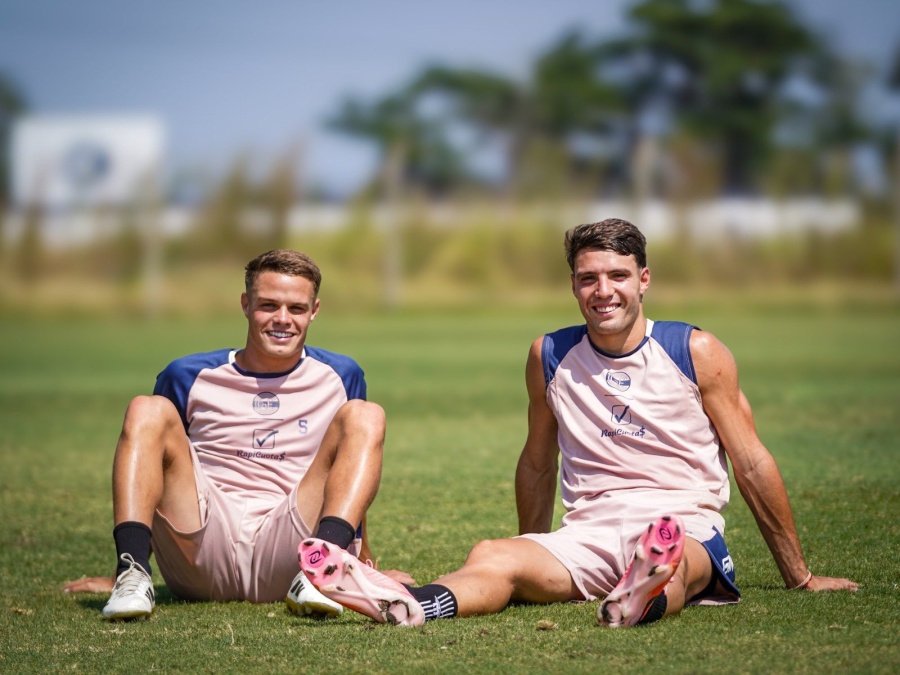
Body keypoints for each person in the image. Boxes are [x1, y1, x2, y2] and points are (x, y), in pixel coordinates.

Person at [296, 218, 858, 628]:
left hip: (679, 522)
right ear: (573, 286)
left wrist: (799, 575)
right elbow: (538, 460)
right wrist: (530, 539)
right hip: (586, 533)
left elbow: (751, 461)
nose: (603, 290)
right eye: (588, 278)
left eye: (617, 275)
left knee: (677, 562)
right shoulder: (550, 354)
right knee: (493, 557)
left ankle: (640, 594)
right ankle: (413, 604)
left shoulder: (695, 349)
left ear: (644, 279)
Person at [64, 249, 411, 620]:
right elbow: (152, 471)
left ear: (314, 311)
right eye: (268, 305)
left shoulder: (341, 375)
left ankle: (323, 572)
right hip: (200, 547)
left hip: (294, 551)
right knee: (145, 409)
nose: (282, 319)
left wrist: (365, 562)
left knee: (367, 416)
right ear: (246, 304)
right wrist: (122, 568)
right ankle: (132, 575)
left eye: (296, 308)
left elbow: (352, 472)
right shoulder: (186, 375)